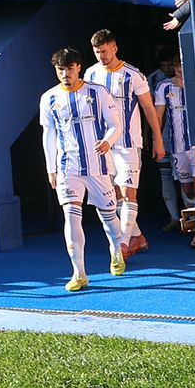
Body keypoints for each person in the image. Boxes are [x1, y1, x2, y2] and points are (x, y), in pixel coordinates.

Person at [39, 48, 126, 292]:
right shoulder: (49, 98)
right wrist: (51, 167)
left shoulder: (97, 92)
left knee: (108, 217)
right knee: (70, 215)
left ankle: (117, 249)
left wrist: (108, 140)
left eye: (69, 68)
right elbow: (49, 134)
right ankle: (79, 272)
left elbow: (115, 124)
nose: (65, 73)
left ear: (78, 67)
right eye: (60, 69)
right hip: (69, 167)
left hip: (97, 166)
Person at [83, 29, 164, 258]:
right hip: (103, 145)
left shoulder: (133, 75)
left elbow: (148, 108)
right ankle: (137, 237)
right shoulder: (90, 75)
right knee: (114, 195)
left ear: (115, 48)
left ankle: (123, 244)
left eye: (105, 51)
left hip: (128, 143)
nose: (102, 56)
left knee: (129, 192)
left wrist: (157, 139)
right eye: (97, 52)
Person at [153, 60, 195, 230]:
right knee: (186, 187)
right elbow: (157, 116)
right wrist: (156, 139)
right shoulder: (164, 87)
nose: (180, 72)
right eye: (177, 68)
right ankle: (192, 222)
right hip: (177, 146)